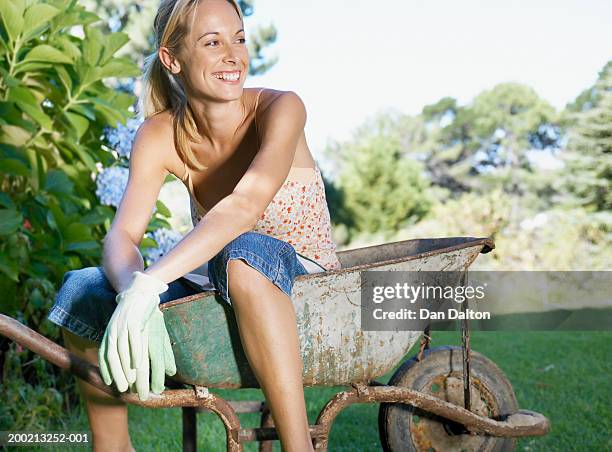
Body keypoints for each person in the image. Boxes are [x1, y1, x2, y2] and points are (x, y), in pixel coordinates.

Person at [46, 0, 341, 450]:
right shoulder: (159, 135)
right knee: (83, 288)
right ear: (172, 58)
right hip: (220, 281)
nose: (233, 55)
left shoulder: (281, 109)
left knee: (242, 251)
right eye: (212, 42)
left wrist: (152, 284)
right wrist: (131, 291)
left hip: (301, 282)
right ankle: (111, 447)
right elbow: (122, 236)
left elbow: (243, 206)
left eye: (239, 38)